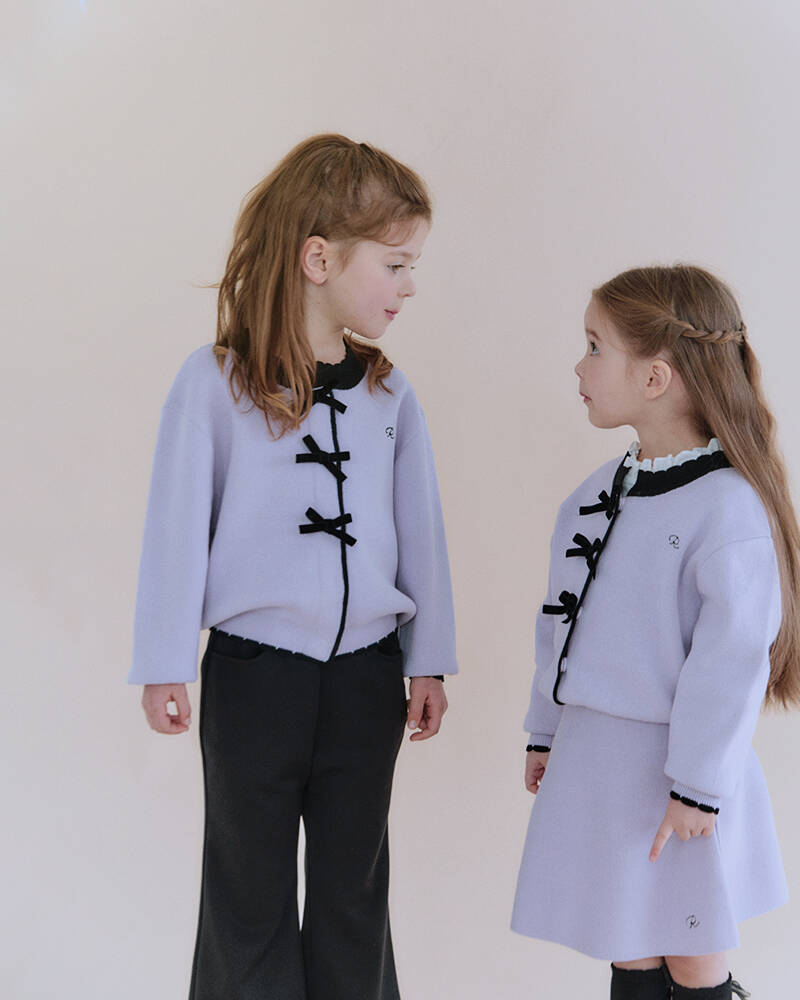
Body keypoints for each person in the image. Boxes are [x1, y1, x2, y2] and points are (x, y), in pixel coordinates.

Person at [128, 134, 458, 1000]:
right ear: (319, 259)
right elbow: (175, 527)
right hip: (253, 680)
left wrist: (428, 657)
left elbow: (420, 533)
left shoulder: (390, 395)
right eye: (395, 264)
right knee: (247, 893)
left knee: (354, 892)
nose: (409, 286)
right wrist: (165, 659)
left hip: (366, 683)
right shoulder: (216, 383)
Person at [511, 264, 800, 999]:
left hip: (680, 770)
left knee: (693, 954)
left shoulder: (727, 509)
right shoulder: (592, 499)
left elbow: (730, 660)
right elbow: (559, 623)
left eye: (594, 347)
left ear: (655, 377)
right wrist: (546, 731)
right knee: (629, 946)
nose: (579, 367)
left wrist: (698, 787)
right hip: (600, 762)